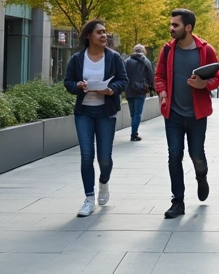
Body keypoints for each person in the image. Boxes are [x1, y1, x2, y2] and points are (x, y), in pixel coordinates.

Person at [154, 8, 219, 219]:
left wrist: (204, 84)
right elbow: (159, 76)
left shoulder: (205, 50)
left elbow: (217, 77)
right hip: (173, 113)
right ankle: (178, 201)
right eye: (171, 24)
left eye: (175, 25)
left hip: (196, 114)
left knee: (196, 154)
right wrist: (162, 91)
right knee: (174, 155)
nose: (171, 28)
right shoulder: (167, 50)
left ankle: (201, 177)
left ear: (188, 27)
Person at [63, 20, 129, 217]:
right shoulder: (77, 58)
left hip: (105, 112)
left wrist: (111, 89)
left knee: (104, 158)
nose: (104, 35)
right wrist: (78, 86)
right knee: (86, 155)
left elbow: (123, 80)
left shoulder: (113, 57)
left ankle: (104, 182)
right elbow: (68, 82)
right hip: (84, 112)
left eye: (105, 32)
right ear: (88, 36)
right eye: (100, 32)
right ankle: (89, 199)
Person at [124, 44, 155, 142]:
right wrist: (152, 88)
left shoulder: (127, 61)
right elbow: (150, 76)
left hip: (129, 90)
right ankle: (134, 134)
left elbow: (123, 75)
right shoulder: (146, 61)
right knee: (138, 113)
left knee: (133, 113)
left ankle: (134, 132)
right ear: (143, 51)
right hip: (141, 90)